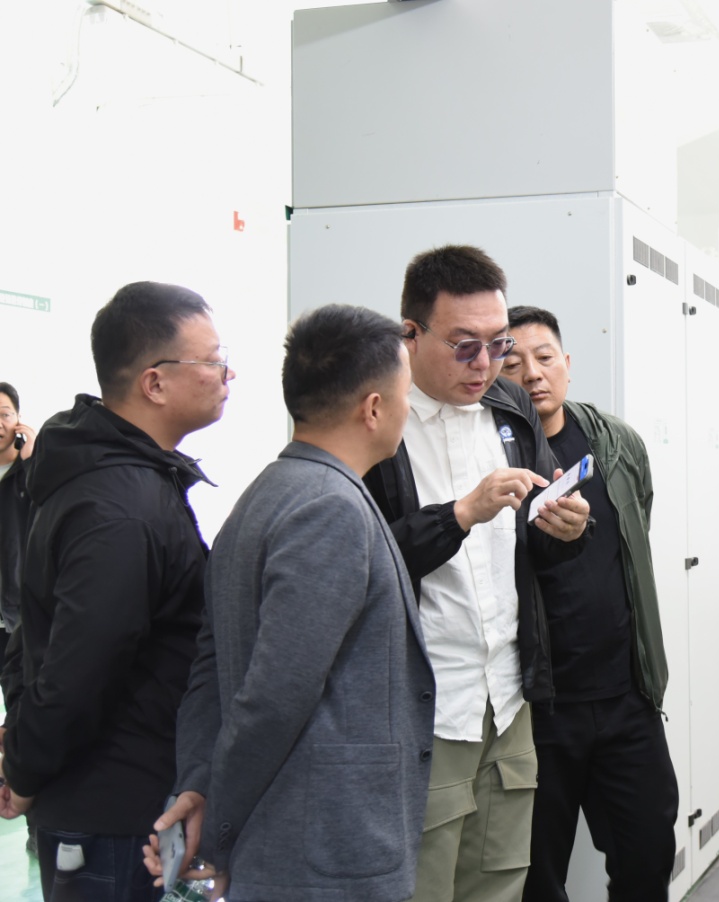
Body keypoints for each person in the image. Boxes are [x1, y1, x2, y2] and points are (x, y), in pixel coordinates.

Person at [150, 304, 435, 902]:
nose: (408, 408)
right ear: (373, 408)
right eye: (406, 392)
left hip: (295, 846)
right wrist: (217, 829)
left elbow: (211, 668)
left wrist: (198, 782)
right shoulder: (330, 508)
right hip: (322, 852)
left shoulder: (266, 494)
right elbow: (275, 696)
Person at [363, 245, 592, 902]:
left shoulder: (509, 408)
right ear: (410, 334)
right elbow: (360, 562)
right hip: (427, 704)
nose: (486, 364)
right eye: (465, 346)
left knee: (501, 881)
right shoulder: (377, 421)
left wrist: (565, 530)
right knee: (425, 885)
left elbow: (530, 551)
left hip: (508, 695)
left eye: (498, 345)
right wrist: (460, 514)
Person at [0, 282, 232, 902]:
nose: (226, 374)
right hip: (110, 809)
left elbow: (36, 634)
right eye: (213, 360)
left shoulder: (114, 474)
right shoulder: (121, 507)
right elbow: (78, 669)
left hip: (118, 796)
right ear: (154, 383)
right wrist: (25, 769)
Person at [501, 306, 679, 902]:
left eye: (544, 357)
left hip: (627, 697)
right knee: (535, 878)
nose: (532, 374)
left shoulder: (615, 443)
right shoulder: (491, 456)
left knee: (646, 858)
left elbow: (637, 524)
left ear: (567, 364)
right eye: (512, 363)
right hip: (539, 711)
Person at [0, 381, 36, 715]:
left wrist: (34, 461)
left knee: (22, 705)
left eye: (5, 414)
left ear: (19, 420)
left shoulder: (32, 471)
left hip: (21, 614)